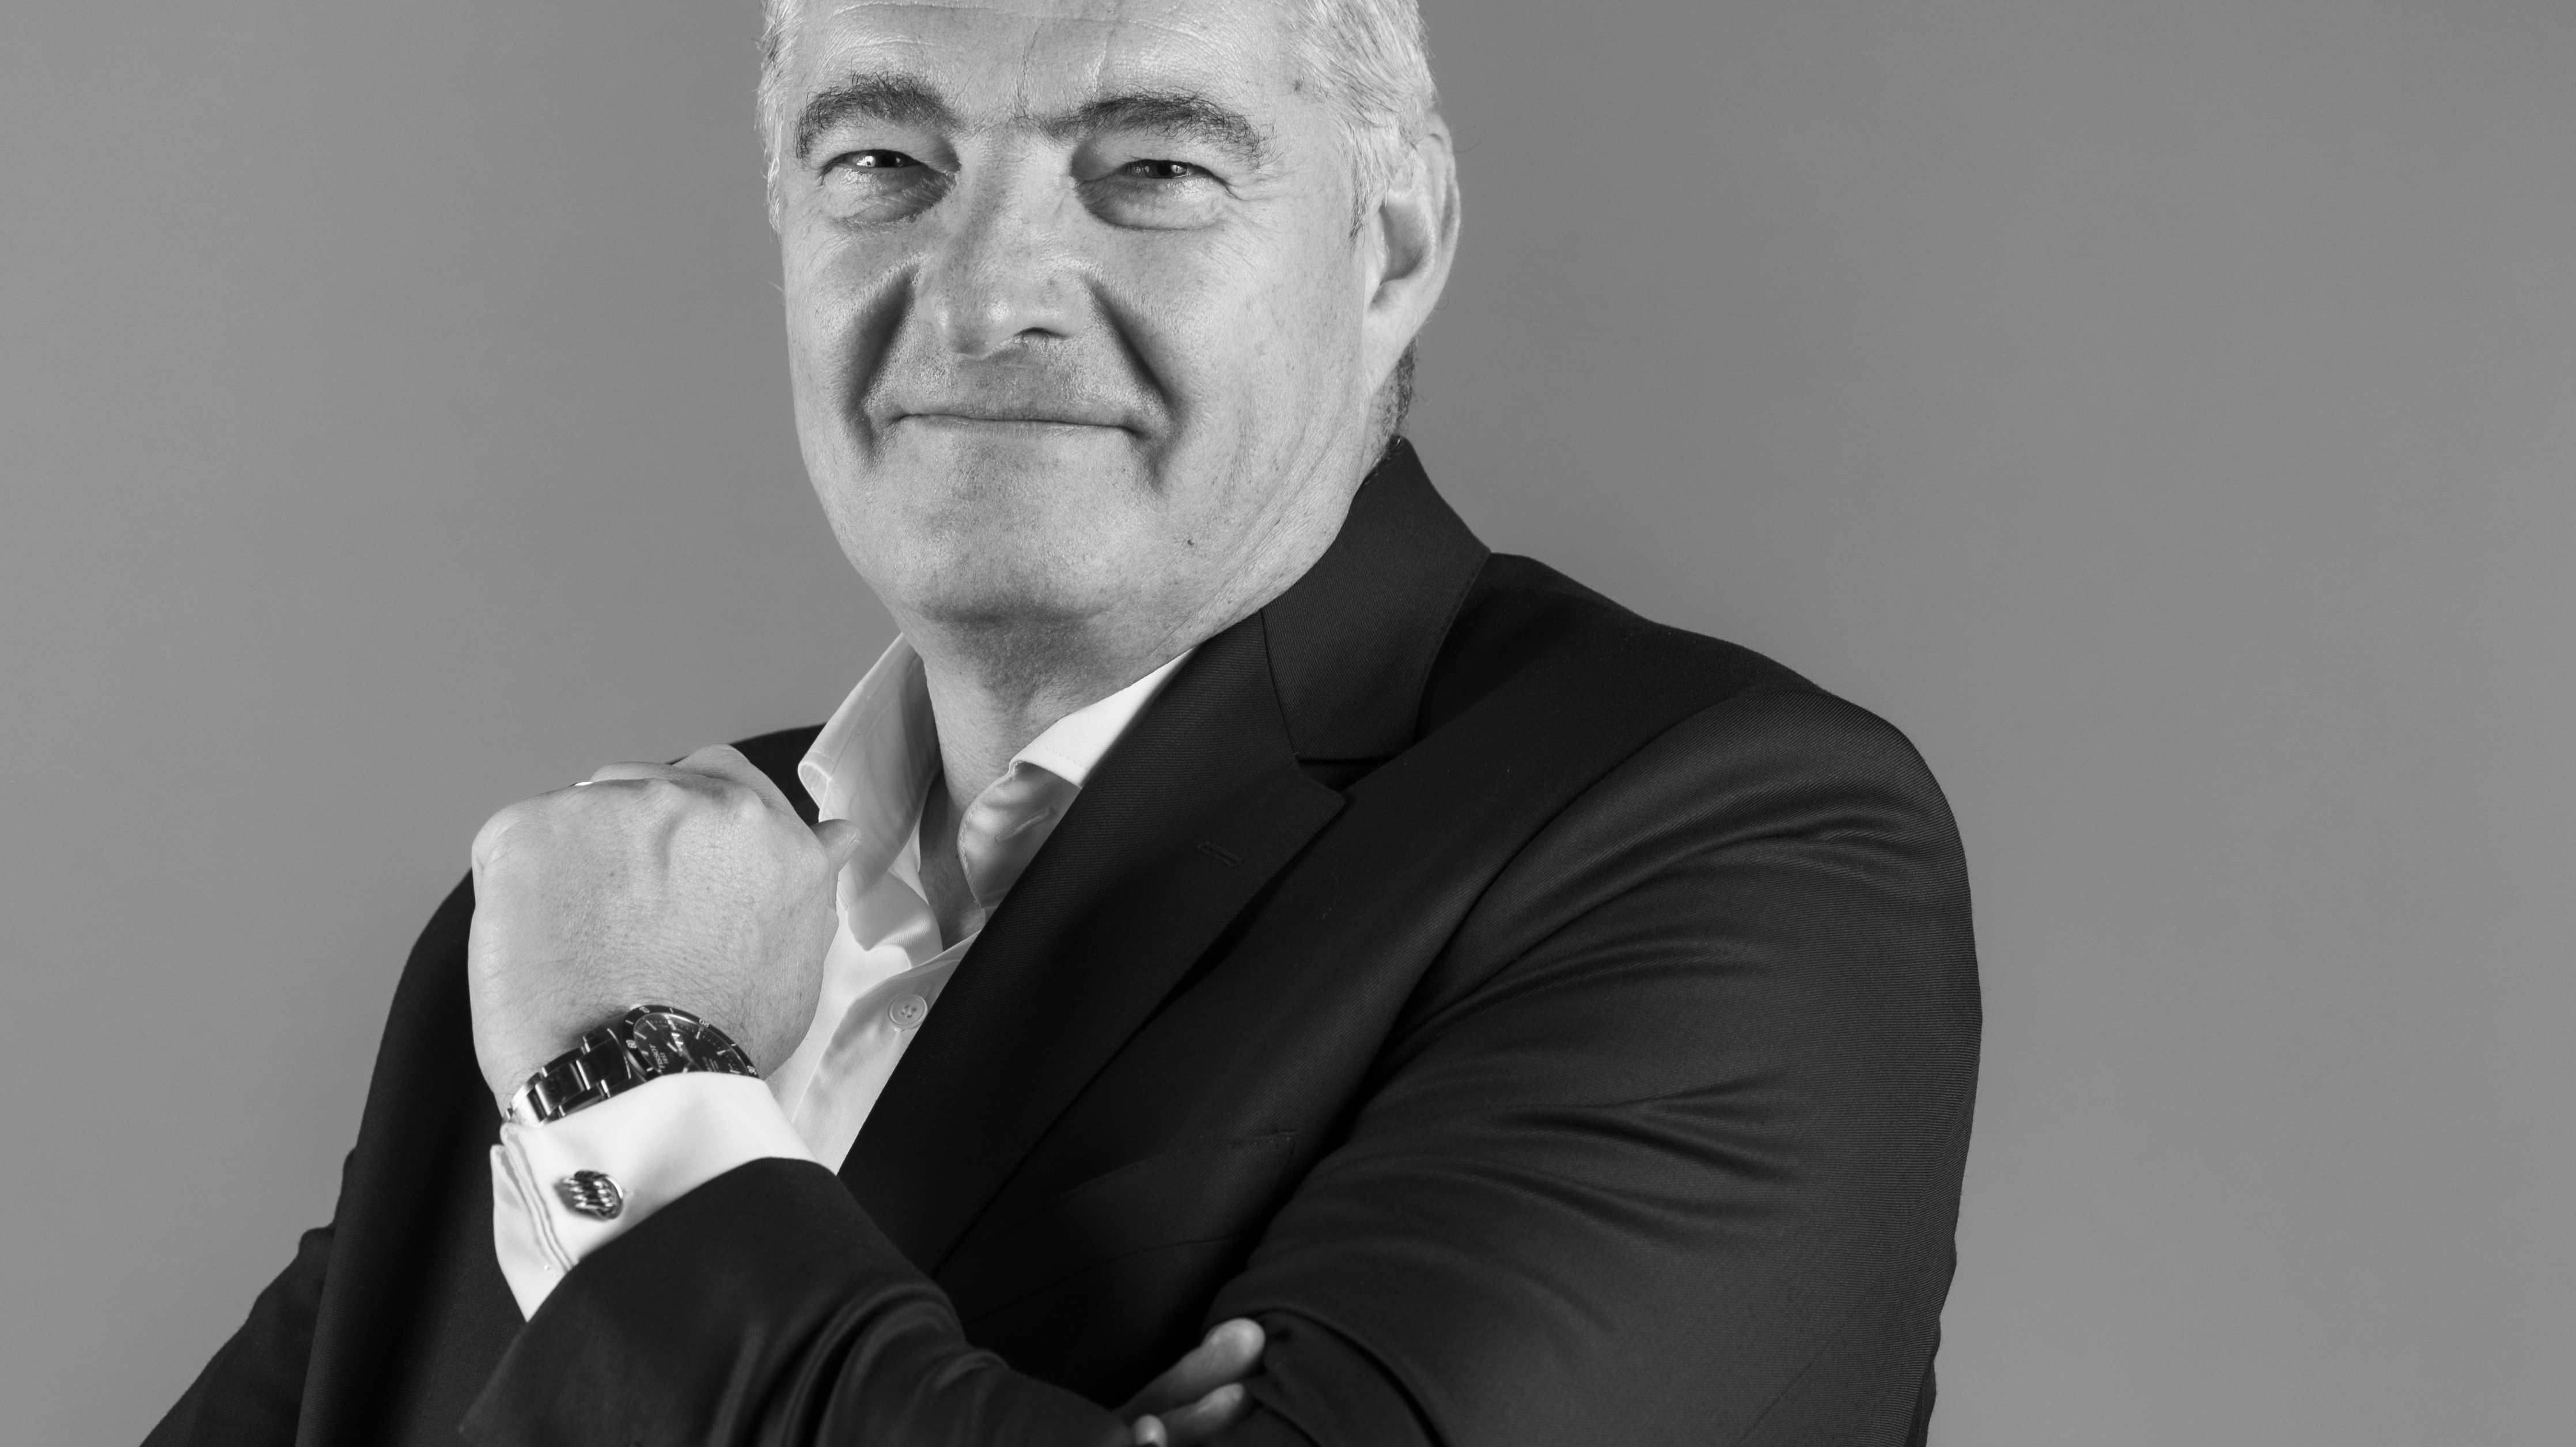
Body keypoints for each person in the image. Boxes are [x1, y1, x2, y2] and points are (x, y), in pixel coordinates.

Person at [148, 0, 1980, 1442]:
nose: (985, 292)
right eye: (883, 158)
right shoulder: (570, 916)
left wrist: (638, 1090)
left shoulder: (1730, 846)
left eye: (1154, 167)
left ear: (1392, 244)